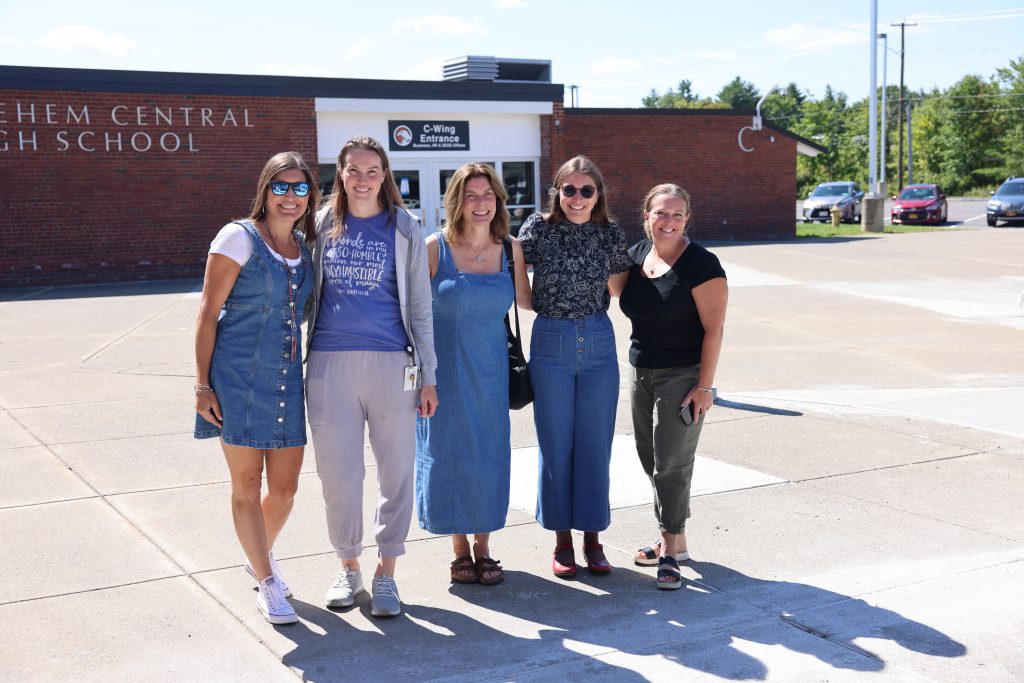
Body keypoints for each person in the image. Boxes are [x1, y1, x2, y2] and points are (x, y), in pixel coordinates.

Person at [305, 136, 438, 618]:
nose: (363, 179)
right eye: (354, 170)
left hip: (392, 365)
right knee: (339, 475)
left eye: (372, 170)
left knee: (396, 472)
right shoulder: (318, 224)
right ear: (340, 174)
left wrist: (428, 375)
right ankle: (349, 566)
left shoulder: (405, 226)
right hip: (328, 365)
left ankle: (387, 574)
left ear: (386, 176)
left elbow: (420, 307)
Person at [194, 151, 319, 624]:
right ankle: (267, 581)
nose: (290, 197)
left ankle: (257, 556)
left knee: (284, 490)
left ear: (310, 197)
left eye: (300, 188)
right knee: (247, 483)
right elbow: (207, 312)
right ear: (265, 190)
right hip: (237, 375)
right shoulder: (237, 236)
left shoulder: (304, 248)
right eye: (281, 187)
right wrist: (202, 385)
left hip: (286, 377)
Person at [415, 163, 531, 586]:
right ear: (456, 202)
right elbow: (411, 312)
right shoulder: (434, 248)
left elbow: (530, 301)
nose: (480, 203)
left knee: (487, 455)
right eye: (470, 195)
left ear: (498, 200)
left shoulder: (511, 249)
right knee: (447, 455)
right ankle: (460, 549)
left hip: (491, 374)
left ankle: (485, 549)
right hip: (441, 375)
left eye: (487, 195)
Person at [518, 155, 632, 578]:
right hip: (551, 340)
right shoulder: (539, 229)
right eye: (570, 190)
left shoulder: (610, 234)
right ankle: (562, 542)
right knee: (555, 444)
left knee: (595, 445)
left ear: (598, 194)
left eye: (587, 190)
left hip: (599, 341)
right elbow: (518, 281)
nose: (578, 198)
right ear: (558, 193)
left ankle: (593, 539)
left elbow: (621, 289)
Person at [610, 183, 727, 590]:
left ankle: (669, 550)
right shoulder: (635, 256)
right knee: (650, 458)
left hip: (683, 374)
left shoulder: (702, 264)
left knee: (671, 463)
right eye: (661, 213)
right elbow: (615, 292)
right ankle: (678, 542)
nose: (669, 221)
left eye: (677, 214)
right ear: (646, 216)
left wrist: (705, 387)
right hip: (641, 370)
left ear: (687, 219)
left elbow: (714, 330)